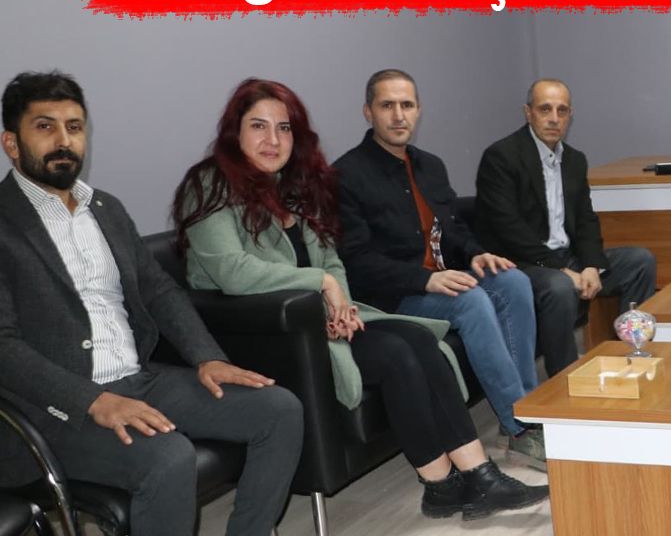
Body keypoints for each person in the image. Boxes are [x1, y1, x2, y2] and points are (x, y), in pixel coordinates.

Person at [173, 78, 547, 520]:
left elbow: (331, 258)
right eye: (259, 126)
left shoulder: (293, 186)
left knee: (419, 341)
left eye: (284, 128)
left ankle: (474, 476)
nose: (273, 139)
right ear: (234, 131)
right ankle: (443, 484)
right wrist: (322, 286)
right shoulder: (211, 185)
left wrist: (342, 305)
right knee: (395, 353)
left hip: (322, 320)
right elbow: (232, 271)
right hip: (270, 335)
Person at [0, 71, 303, 536]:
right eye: (45, 126)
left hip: (138, 379)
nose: (64, 141)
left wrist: (208, 358)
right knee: (169, 457)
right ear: (12, 143)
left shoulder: (106, 209)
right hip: (53, 410)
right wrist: (92, 400)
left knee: (279, 410)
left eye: (74, 127)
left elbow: (159, 291)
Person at [333, 69, 547, 465]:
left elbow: (453, 228)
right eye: (387, 105)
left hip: (445, 278)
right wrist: (425, 279)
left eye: (407, 105)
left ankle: (530, 411)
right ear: (368, 112)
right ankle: (519, 428)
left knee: (513, 281)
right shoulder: (346, 175)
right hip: (394, 295)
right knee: (472, 302)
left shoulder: (430, 165)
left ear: (419, 110)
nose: (399, 115)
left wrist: (476, 253)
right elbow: (357, 261)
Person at [474, 79, 658, 377]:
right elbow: (509, 228)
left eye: (562, 110)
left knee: (639, 261)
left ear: (570, 115)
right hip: (520, 263)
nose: (554, 118)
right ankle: (566, 379)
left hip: (565, 258)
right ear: (528, 112)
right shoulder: (502, 156)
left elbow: (585, 219)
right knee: (560, 287)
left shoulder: (574, 159)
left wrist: (591, 265)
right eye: (545, 109)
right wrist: (561, 270)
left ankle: (629, 355)